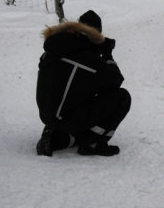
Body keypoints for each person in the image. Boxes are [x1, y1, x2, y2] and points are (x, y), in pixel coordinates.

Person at [35, 10, 131, 156]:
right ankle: (94, 142)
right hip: (67, 117)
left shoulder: (54, 49)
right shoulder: (85, 57)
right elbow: (115, 80)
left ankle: (57, 137)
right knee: (122, 97)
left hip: (48, 114)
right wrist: (107, 55)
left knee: (83, 85)